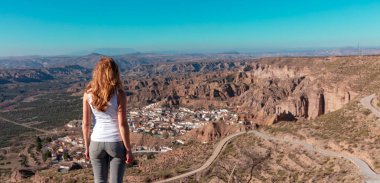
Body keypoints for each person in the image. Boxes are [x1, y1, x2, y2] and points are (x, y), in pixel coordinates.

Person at [82, 57, 133, 183]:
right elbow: (122, 124)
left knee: (99, 180)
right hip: (115, 142)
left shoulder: (88, 94)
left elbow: (86, 124)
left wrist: (86, 147)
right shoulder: (119, 94)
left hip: (96, 142)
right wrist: (128, 149)